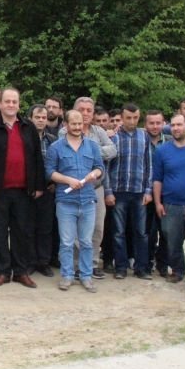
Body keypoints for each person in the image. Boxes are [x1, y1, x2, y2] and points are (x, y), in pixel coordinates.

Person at [0, 88, 45, 289]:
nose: (11, 105)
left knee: (21, 232)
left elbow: (37, 158)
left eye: (15, 101)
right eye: (7, 101)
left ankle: (20, 271)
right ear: (0, 104)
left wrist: (39, 185)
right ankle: (3, 272)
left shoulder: (28, 127)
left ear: (19, 104)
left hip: (24, 191)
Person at [46, 110, 105, 292]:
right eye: (74, 124)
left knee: (86, 242)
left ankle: (86, 276)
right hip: (65, 202)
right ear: (66, 125)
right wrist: (68, 180)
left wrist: (95, 173)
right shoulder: (56, 147)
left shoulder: (93, 146)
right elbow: (49, 172)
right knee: (67, 242)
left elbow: (100, 167)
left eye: (80, 124)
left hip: (88, 201)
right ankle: (67, 276)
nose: (78, 127)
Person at [60, 97, 117, 277]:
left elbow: (113, 150)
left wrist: (89, 151)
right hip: (72, 188)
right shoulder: (64, 132)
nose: (85, 113)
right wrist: (94, 152)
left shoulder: (98, 131)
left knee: (97, 227)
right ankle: (76, 266)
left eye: (88, 110)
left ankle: (91, 264)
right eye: (81, 109)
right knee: (73, 231)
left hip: (96, 187)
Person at [152, 114, 185, 290]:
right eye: (173, 125)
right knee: (172, 241)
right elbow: (157, 179)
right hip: (170, 204)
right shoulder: (162, 150)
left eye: (179, 125)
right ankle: (177, 270)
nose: (176, 128)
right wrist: (158, 203)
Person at [106, 103, 153, 280]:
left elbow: (149, 165)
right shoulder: (114, 137)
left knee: (141, 232)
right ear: (122, 117)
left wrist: (148, 190)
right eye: (128, 118)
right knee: (118, 232)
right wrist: (108, 191)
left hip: (139, 191)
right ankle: (121, 267)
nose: (132, 121)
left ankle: (142, 267)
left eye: (135, 118)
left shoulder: (144, 136)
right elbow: (107, 166)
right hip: (119, 191)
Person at [28, 104, 57, 277]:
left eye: (43, 117)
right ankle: (31, 261)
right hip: (29, 191)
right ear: (30, 118)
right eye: (37, 117)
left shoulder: (53, 140)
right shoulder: (24, 138)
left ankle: (43, 261)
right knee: (28, 227)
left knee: (46, 227)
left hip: (48, 189)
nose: (41, 120)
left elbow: (59, 164)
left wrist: (55, 182)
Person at [144, 110, 170, 277]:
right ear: (145, 124)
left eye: (158, 123)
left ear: (163, 124)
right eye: (151, 123)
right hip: (145, 193)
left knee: (166, 231)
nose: (154, 126)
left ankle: (163, 263)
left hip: (165, 193)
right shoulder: (140, 140)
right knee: (148, 231)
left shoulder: (170, 142)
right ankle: (147, 262)